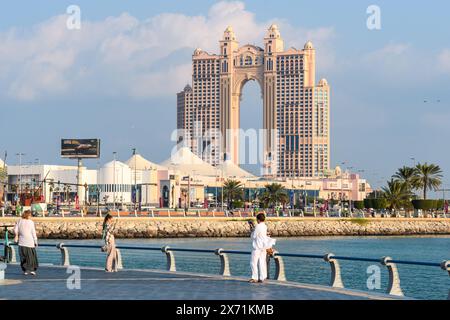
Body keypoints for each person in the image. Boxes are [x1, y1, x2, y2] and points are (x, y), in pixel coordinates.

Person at [248, 213, 276, 283]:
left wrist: (251, 230)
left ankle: (254, 278)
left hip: (257, 247)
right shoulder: (264, 226)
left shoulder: (258, 226)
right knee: (262, 262)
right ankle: (262, 277)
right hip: (263, 247)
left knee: (253, 263)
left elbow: (253, 236)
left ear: (258, 219)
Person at [14, 210, 39, 275]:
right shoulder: (31, 222)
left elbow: (15, 230)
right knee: (31, 257)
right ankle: (32, 270)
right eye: (30, 215)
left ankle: (25, 270)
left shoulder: (19, 221)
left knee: (23, 256)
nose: (31, 216)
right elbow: (33, 232)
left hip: (21, 242)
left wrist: (16, 235)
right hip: (29, 242)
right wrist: (35, 241)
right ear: (28, 215)